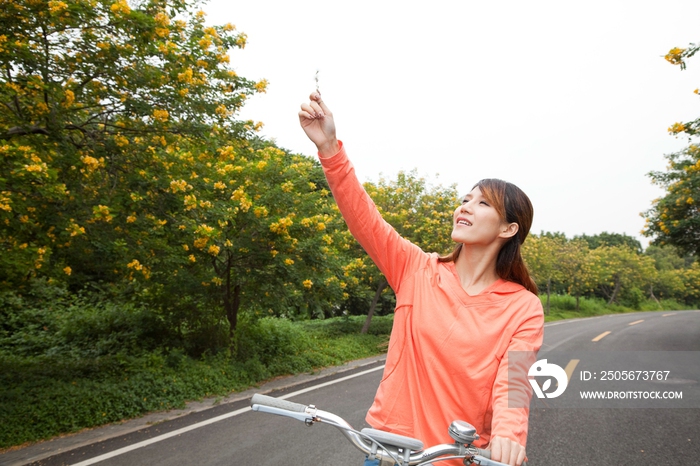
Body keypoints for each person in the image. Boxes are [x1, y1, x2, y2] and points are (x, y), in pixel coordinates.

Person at [299, 92, 543, 466]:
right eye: (465, 198)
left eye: (482, 203)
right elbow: (364, 219)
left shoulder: (523, 307)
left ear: (509, 228)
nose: (465, 206)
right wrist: (330, 147)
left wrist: (509, 436)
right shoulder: (417, 269)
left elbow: (513, 384)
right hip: (387, 451)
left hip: (460, 458)